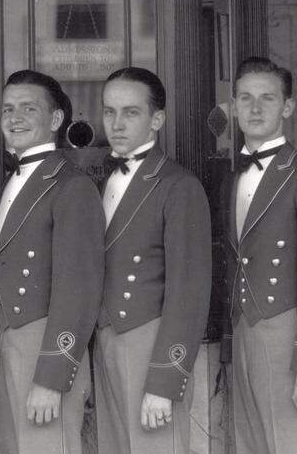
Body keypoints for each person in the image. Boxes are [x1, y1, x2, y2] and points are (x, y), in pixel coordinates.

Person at [224, 56, 297, 454]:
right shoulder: (231, 176)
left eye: (267, 99)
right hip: (242, 330)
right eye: (245, 98)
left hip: (287, 334)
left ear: (287, 107)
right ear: (233, 104)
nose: (255, 109)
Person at [92, 67, 211, 454]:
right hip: (106, 341)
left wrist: (165, 380)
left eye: (131, 112)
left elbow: (188, 292)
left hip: (150, 344)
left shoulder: (179, 186)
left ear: (157, 119)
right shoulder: (103, 182)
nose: (117, 123)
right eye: (109, 112)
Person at [0, 70, 105, 454]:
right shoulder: (11, 182)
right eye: (8, 108)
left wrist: (53, 377)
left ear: (56, 120)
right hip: (11, 346)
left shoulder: (71, 186)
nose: (15, 117)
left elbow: (79, 290)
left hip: (44, 352)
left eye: (28, 108)